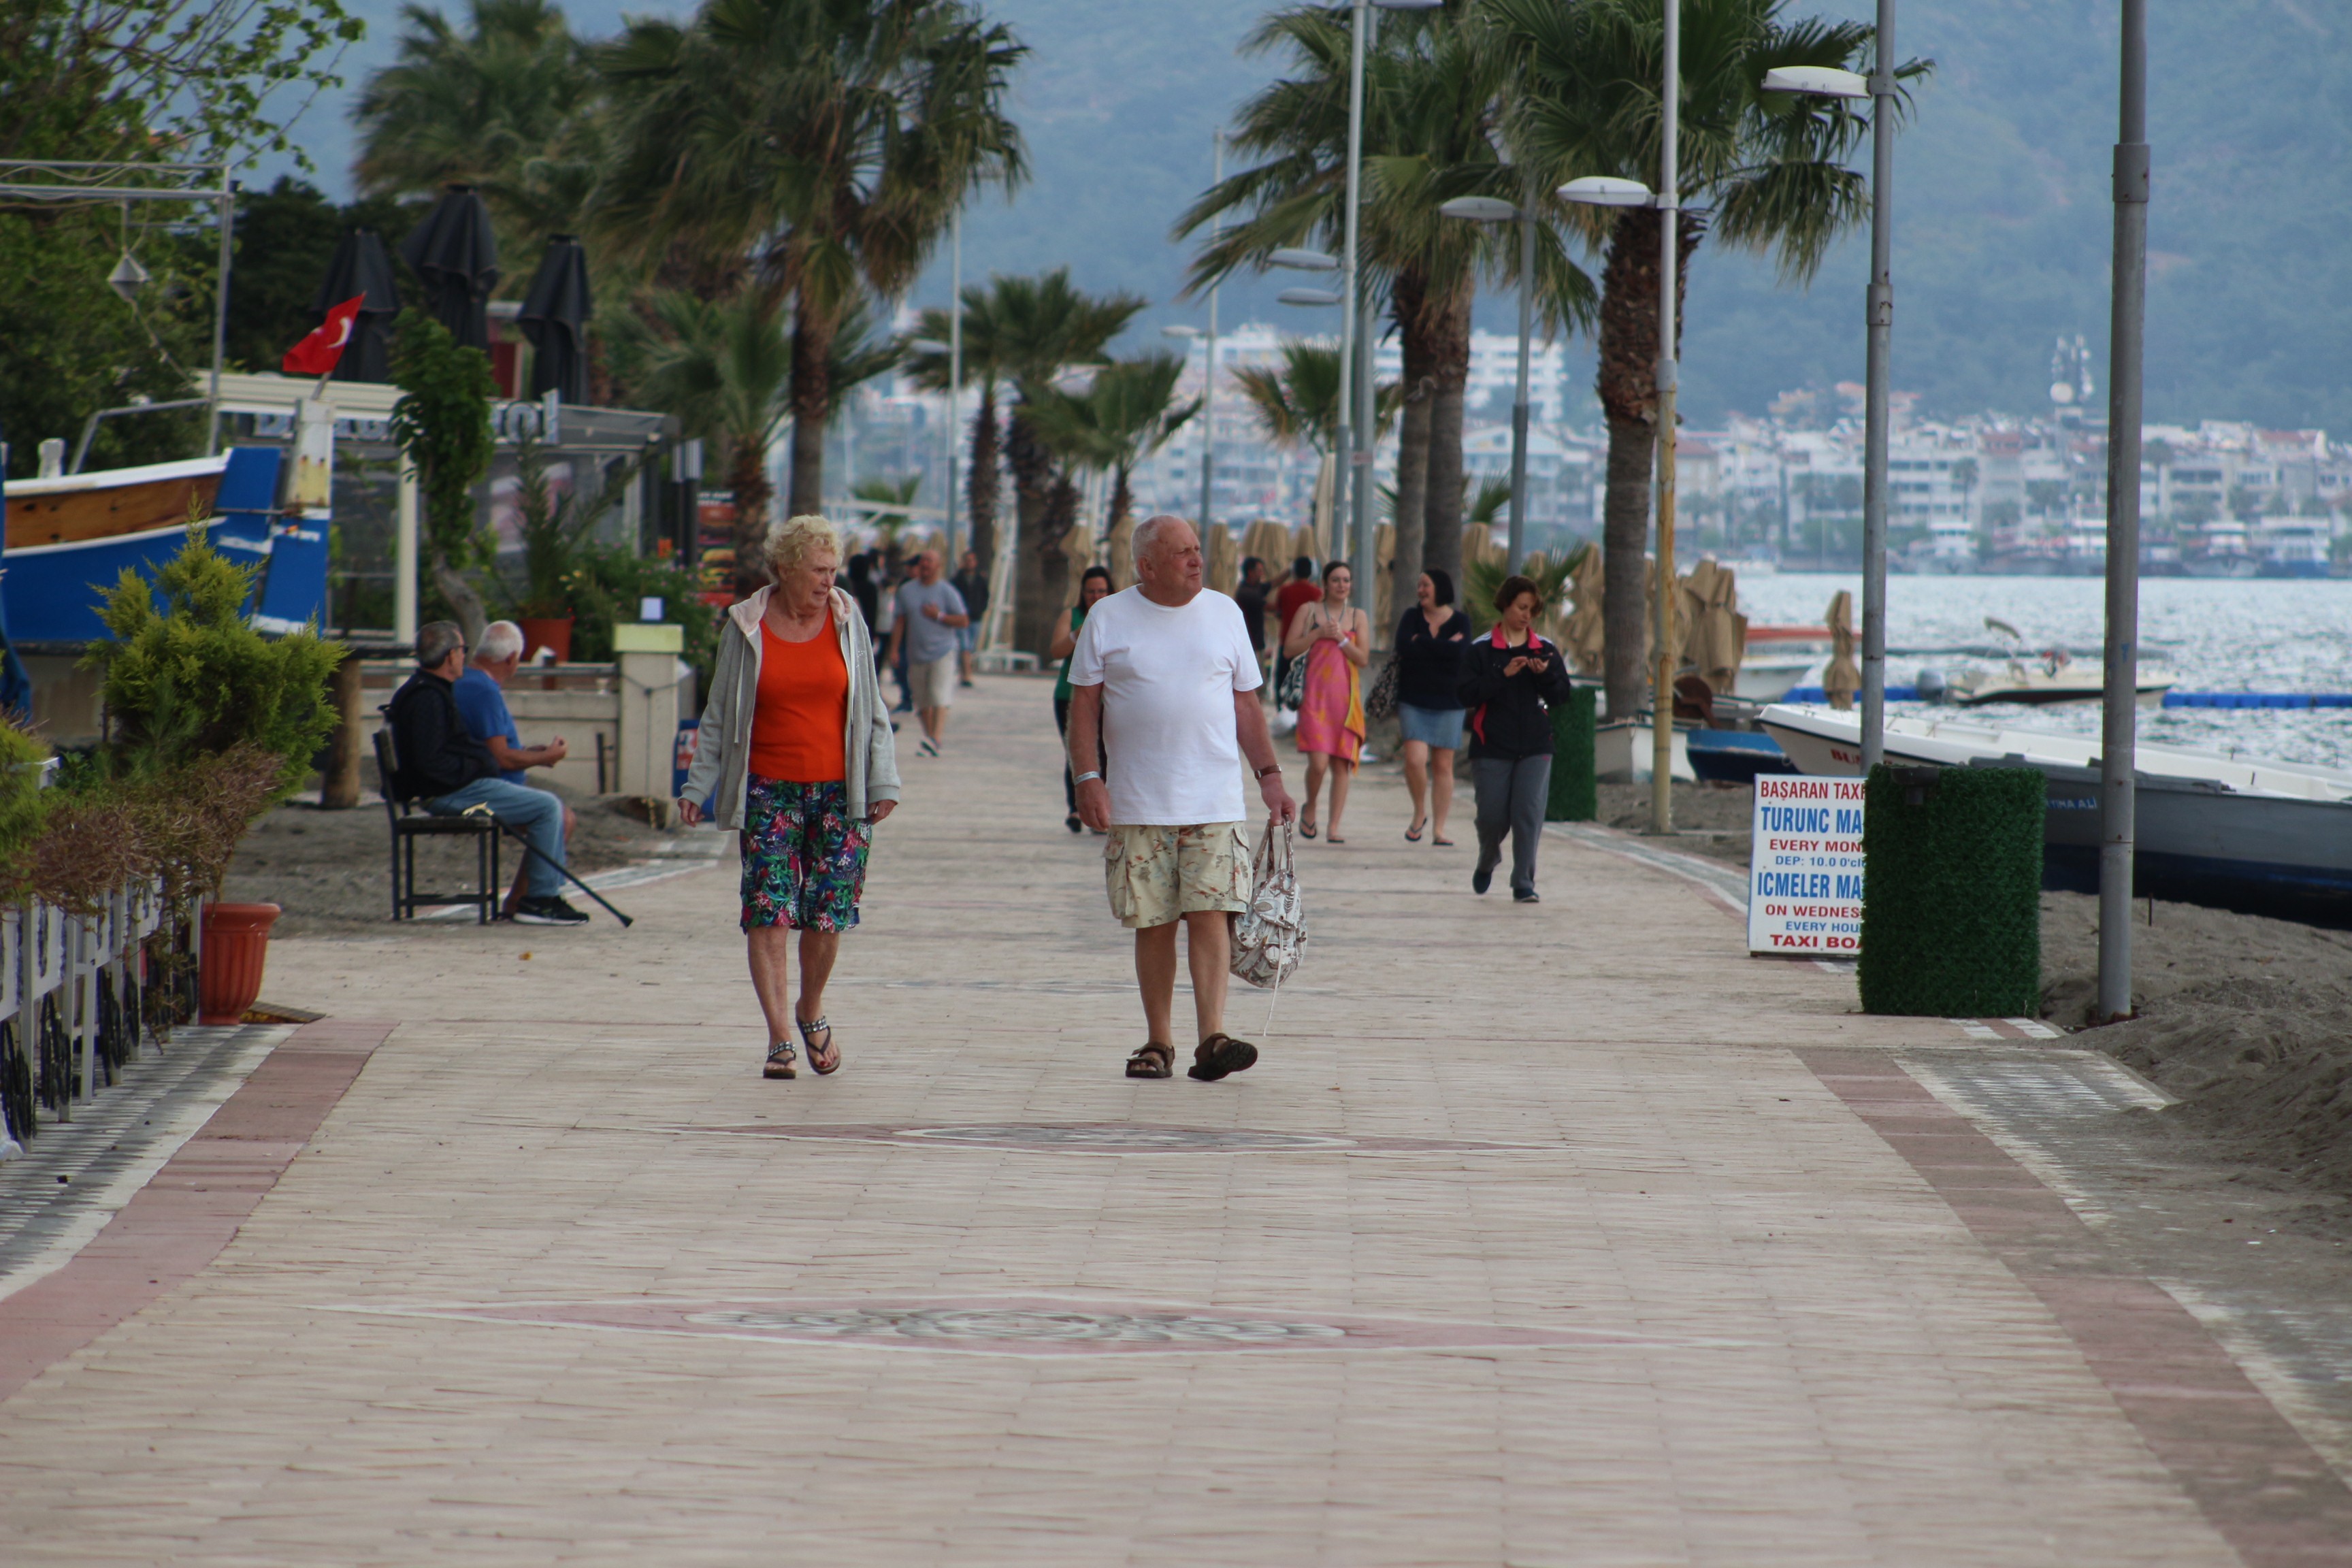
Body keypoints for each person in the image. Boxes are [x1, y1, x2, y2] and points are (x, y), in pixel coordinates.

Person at [1066, 514, 1296, 1083]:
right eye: (1182, 553)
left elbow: (1246, 706)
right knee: (1154, 922)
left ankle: (1212, 1037)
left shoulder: (1224, 613)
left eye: (1198, 550)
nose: (1197, 560)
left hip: (1214, 799)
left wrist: (1269, 775)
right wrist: (1087, 777)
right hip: (1140, 800)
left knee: (1211, 914)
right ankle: (1158, 1042)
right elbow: (1085, 706)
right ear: (1146, 565)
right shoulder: (1108, 616)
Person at [679, 514, 900, 1079]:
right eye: (818, 570)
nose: (828, 581)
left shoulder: (848, 622)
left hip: (839, 793)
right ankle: (780, 1037)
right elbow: (718, 714)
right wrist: (697, 786)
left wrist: (884, 780)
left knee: (827, 916)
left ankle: (810, 1007)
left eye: (833, 570)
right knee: (769, 912)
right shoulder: (747, 625)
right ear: (786, 568)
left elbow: (872, 709)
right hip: (768, 791)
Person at [386, 621, 586, 926]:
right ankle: (540, 900)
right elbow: (431, 766)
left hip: (456, 787)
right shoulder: (427, 698)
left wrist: (479, 762)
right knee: (548, 806)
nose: (465, 658)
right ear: (452, 655)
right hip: (451, 793)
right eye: (463, 651)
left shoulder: (434, 691)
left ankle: (535, 898)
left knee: (550, 806)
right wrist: (478, 767)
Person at [1457, 572, 1573, 903]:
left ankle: (1523, 882)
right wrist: (1501, 675)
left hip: (1536, 745)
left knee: (1528, 813)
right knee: (1492, 816)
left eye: (1532, 610)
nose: (1526, 615)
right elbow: (1464, 694)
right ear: (1505, 605)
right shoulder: (1481, 650)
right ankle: (1488, 857)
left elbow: (1563, 694)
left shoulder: (1545, 649)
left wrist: (1545, 675)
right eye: (1521, 607)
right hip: (1492, 745)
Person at [452, 620, 581, 916]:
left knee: (563, 817)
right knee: (555, 813)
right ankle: (539, 899)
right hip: (482, 788)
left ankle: (519, 901)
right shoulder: (483, 690)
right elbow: (501, 758)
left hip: (481, 780)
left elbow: (491, 750)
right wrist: (545, 756)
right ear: (512, 659)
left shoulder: (470, 682)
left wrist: (536, 755)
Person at [1283, 559, 1369, 843]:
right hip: (1315, 698)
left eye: (1346, 580)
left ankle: (1334, 826)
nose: (1342, 585)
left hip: (1345, 701)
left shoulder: (1358, 616)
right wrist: (1318, 634)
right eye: (1336, 580)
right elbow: (1289, 650)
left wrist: (1343, 638)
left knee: (1341, 764)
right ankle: (1311, 805)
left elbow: (1363, 659)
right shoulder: (1309, 611)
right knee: (1318, 764)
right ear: (1325, 583)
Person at [1392, 570, 1471, 845]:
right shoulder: (1410, 617)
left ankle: (1439, 829)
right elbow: (1404, 648)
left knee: (1443, 765)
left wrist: (1423, 643)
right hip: (1413, 699)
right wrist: (1442, 647)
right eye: (1419, 585)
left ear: (1440, 588)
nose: (1421, 590)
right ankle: (1419, 812)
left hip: (1450, 701)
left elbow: (1461, 655)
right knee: (1414, 759)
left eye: (1426, 585)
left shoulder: (1461, 620)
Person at [1049, 565, 1115, 834]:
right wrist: (1081, 630)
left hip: (1108, 696)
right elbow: (1055, 650)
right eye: (1091, 592)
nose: (1096, 597)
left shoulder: (1118, 615)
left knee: (1106, 751)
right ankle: (1075, 808)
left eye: (1101, 591)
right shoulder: (1072, 615)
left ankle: (1103, 810)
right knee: (1075, 751)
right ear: (1083, 593)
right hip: (1070, 693)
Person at [885, 549, 969, 755]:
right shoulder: (906, 591)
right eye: (923, 561)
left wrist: (939, 616)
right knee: (921, 700)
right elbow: (900, 621)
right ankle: (930, 738)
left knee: (939, 695)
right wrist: (894, 650)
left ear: (938, 566)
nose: (925, 565)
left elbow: (963, 620)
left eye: (930, 561)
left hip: (943, 651)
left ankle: (935, 738)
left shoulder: (947, 591)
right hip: (916, 653)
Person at [1270, 556, 1320, 709]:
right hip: (1309, 644)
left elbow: (1279, 612)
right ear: (1311, 573)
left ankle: (1282, 708)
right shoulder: (1317, 593)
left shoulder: (1285, 591)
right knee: (1307, 679)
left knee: (1283, 678)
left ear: (1294, 572)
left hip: (1287, 642)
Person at [951, 548, 991, 687]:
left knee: (971, 646)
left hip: (975, 617)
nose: (970, 563)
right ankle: (967, 675)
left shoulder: (981, 579)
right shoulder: (957, 580)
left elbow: (986, 596)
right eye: (967, 561)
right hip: (961, 618)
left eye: (972, 561)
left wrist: (980, 609)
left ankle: (965, 672)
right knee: (964, 646)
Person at [1234, 556, 1271, 674]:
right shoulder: (1247, 593)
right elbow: (1271, 607)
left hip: (1255, 643)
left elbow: (1271, 584)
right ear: (1250, 572)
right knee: (1255, 679)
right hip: (1250, 644)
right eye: (1259, 571)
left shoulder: (1254, 588)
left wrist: (1289, 572)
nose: (1262, 574)